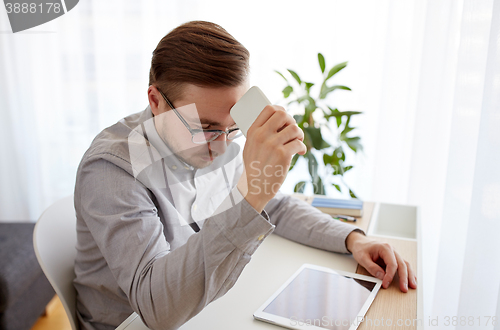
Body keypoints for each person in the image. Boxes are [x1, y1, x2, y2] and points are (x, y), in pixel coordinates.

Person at [73, 20, 417, 330]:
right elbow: (158, 309)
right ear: (156, 100)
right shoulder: (112, 169)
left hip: (202, 306)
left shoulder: (212, 138)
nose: (222, 148)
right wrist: (253, 191)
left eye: (233, 128)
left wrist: (353, 239)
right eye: (205, 128)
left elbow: (275, 206)